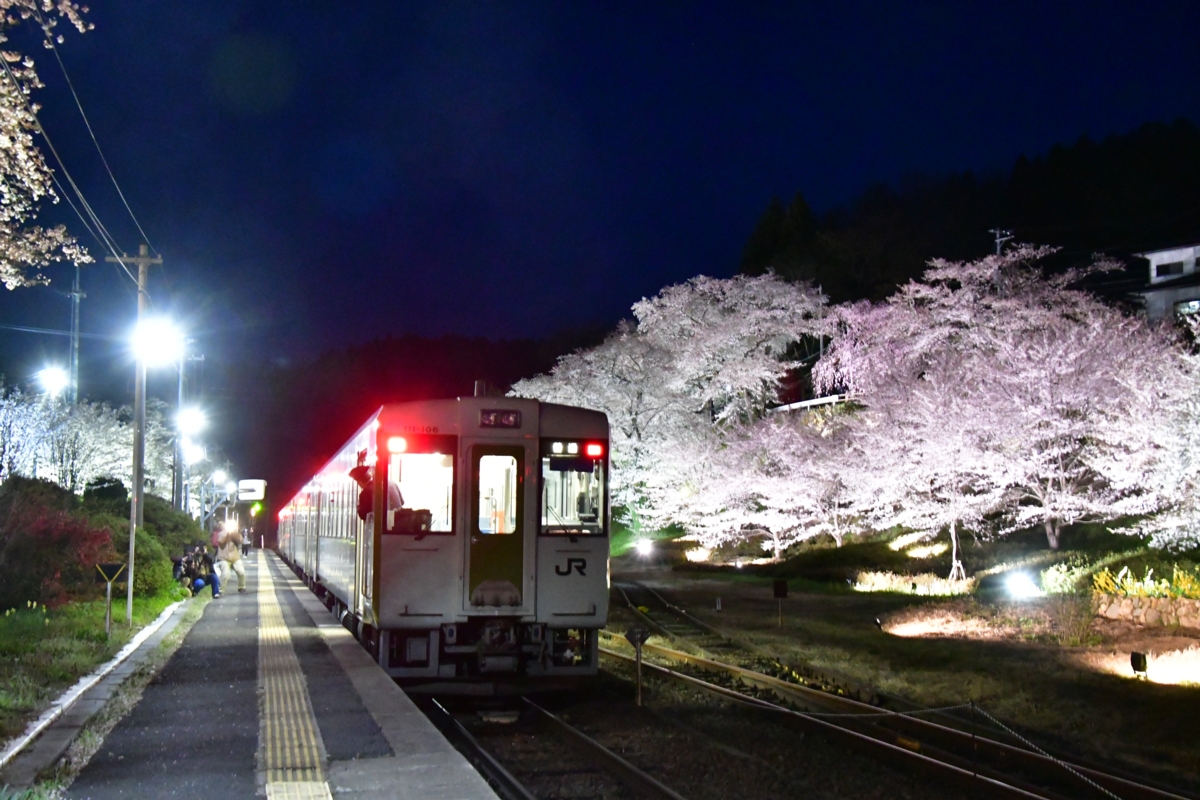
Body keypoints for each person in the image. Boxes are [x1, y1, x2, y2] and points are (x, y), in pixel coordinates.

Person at [216, 528, 246, 593]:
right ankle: (221, 590)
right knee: (225, 574)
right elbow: (221, 544)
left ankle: (241, 587)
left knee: (241, 572)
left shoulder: (235, 533)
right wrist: (227, 536)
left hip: (235, 557)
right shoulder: (221, 533)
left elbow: (241, 541)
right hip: (223, 558)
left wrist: (236, 535)